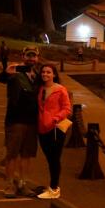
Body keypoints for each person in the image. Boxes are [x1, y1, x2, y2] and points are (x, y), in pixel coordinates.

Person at [0, 46, 40, 197]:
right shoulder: (15, 71)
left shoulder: (38, 74)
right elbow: (2, 78)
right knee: (12, 154)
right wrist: (5, 72)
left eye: (33, 56)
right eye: (28, 55)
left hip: (32, 121)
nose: (31, 58)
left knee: (27, 155)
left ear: (37, 58)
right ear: (23, 56)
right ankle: (9, 185)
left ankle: (23, 183)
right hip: (15, 119)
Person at [36, 63, 71, 200]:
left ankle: (55, 188)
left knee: (54, 159)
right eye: (43, 72)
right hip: (42, 128)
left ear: (54, 74)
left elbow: (67, 108)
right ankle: (52, 186)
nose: (45, 74)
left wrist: (56, 118)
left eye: (48, 72)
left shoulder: (60, 89)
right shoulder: (40, 89)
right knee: (49, 159)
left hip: (56, 129)